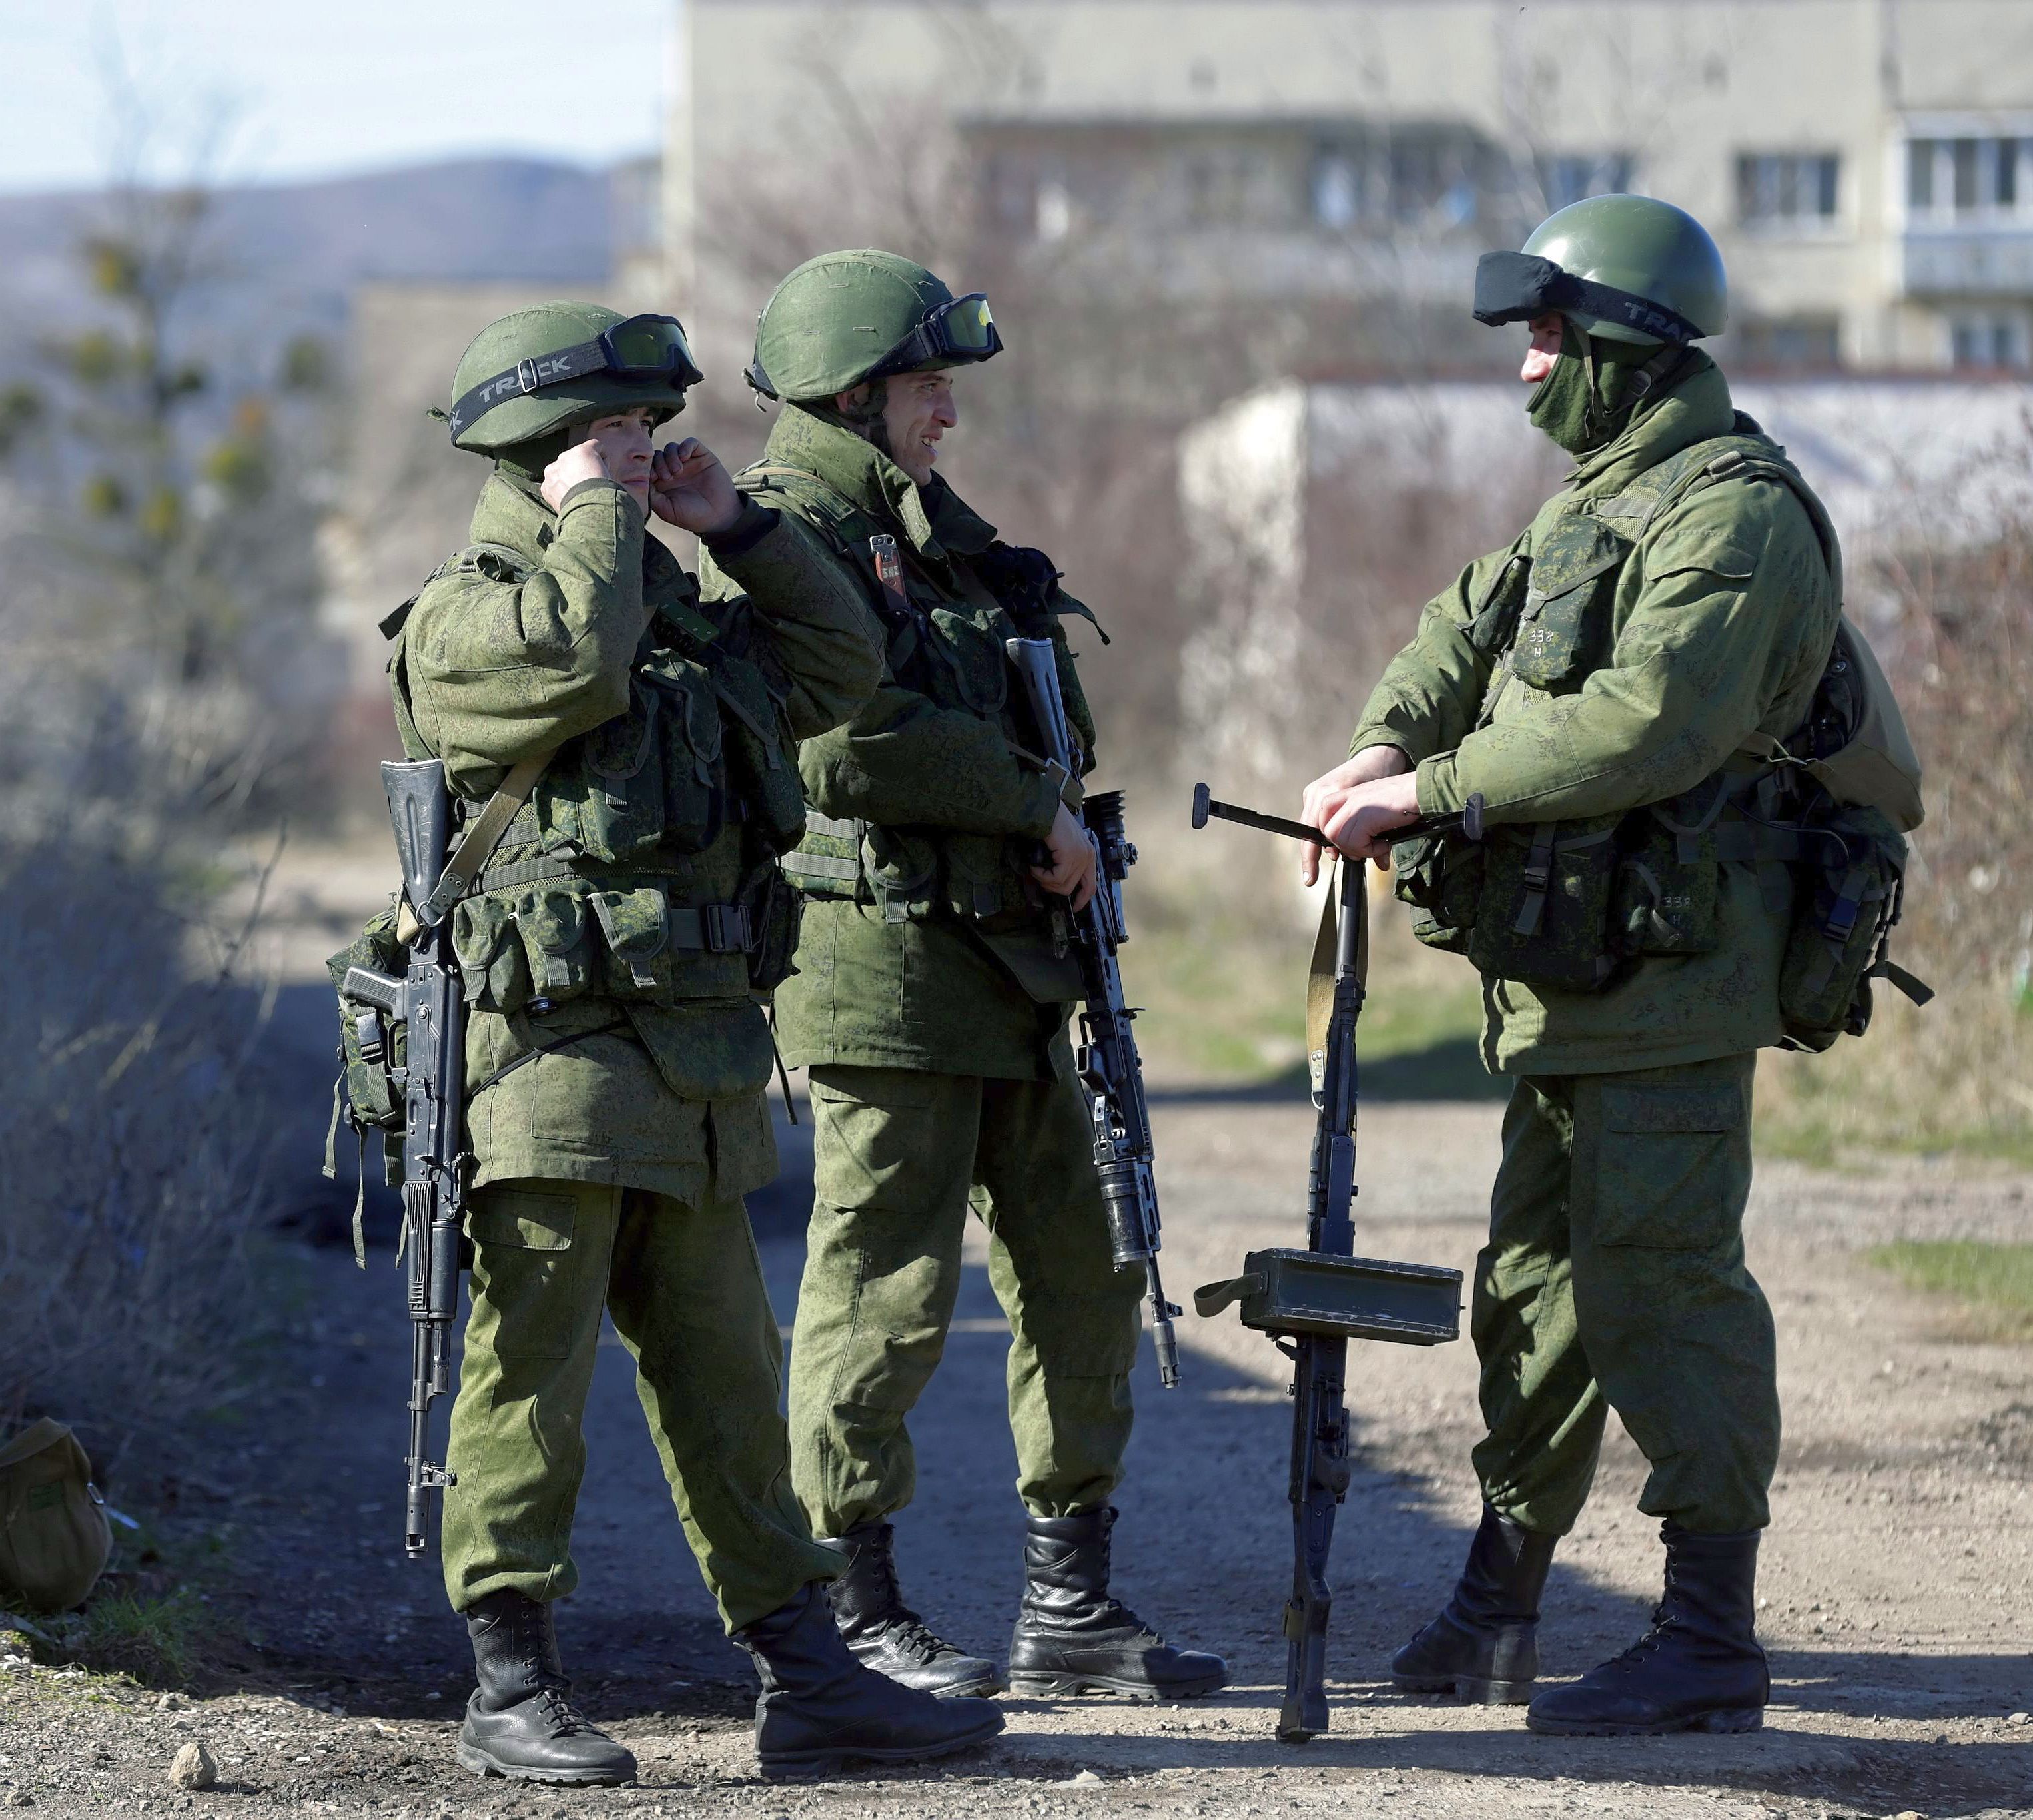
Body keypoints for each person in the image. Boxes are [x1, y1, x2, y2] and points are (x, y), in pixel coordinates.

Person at [388, 302, 1004, 1783]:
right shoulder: (469, 612)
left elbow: (839, 671)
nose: (643, 456)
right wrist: (597, 517)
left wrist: (738, 531)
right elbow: (572, 671)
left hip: (697, 1059)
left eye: (647, 437)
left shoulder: (661, 606)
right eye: (615, 436)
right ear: (549, 449)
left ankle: (807, 1675)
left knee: (730, 1376)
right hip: (548, 1060)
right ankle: (508, 1679)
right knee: (528, 1371)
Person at [1299, 197, 1842, 1737]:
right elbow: (1465, 628)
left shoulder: (1727, 513)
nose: (1527, 368)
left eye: (1548, 337)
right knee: (1533, 1287)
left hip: (1674, 971)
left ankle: (1708, 1634)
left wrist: (1432, 792)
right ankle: (1503, 1591)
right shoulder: (1597, 503)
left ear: (1624, 345)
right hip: (1570, 977)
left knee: (1659, 1284)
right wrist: (1386, 736)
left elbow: (1646, 721)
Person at [702, 251, 1227, 1703]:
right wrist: (1027, 803)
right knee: (883, 1287)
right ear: (856, 392)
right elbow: (840, 743)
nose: (950, 410)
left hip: (1005, 965)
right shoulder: (786, 528)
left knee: (1078, 1262)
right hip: (880, 971)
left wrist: (1050, 808)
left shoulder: (925, 534)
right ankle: (852, 1611)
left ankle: (1069, 1605)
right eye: (930, 383)